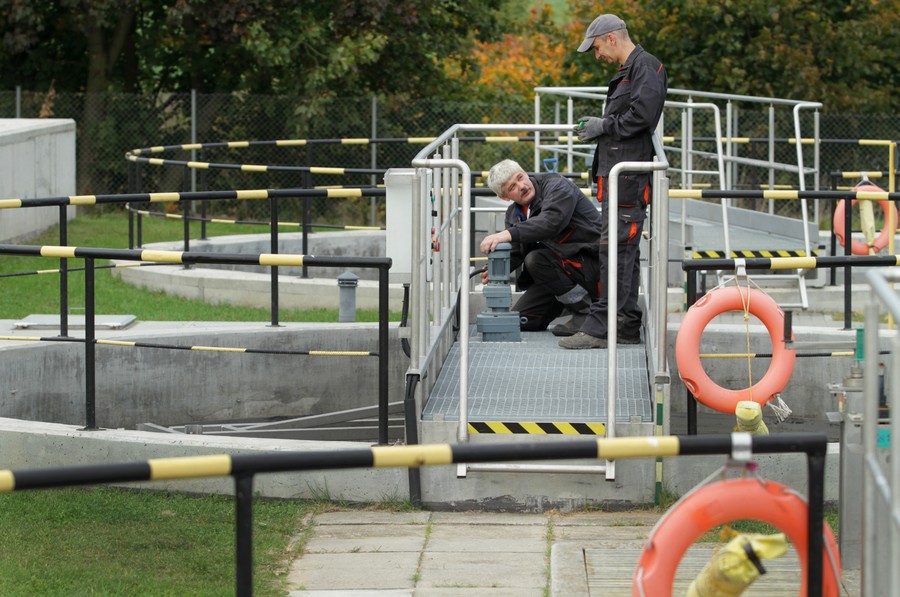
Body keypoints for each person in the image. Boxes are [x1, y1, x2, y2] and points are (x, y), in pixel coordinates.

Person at [559, 13, 668, 349]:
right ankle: (627, 324)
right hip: (618, 176)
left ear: (611, 38)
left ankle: (599, 328)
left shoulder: (645, 67)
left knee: (616, 252)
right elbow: (627, 118)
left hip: (629, 179)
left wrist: (602, 126)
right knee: (623, 253)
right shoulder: (630, 71)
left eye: (596, 48)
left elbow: (642, 116)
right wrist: (600, 128)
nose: (597, 56)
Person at [479, 159, 604, 334]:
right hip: (562, 274)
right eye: (512, 187)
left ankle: (585, 313)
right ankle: (574, 304)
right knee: (522, 319)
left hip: (595, 263)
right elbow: (516, 251)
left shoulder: (556, 185)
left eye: (521, 178)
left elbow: (550, 222)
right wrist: (495, 269)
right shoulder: (514, 214)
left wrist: (504, 235)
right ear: (504, 197)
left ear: (525, 172)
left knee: (536, 259)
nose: (521, 186)